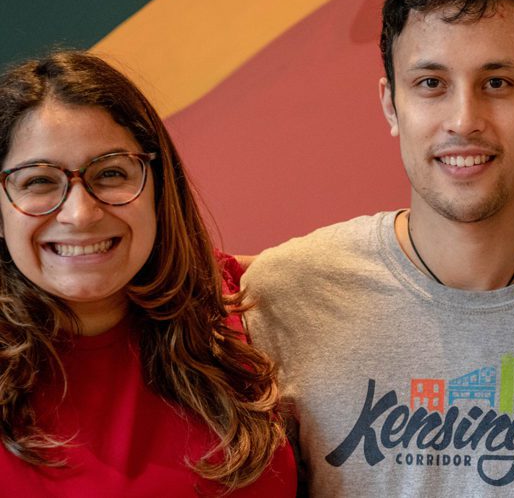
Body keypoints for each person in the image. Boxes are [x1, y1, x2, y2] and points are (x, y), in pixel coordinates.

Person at [243, 0, 514, 496]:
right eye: (431, 83)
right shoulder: (284, 297)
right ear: (391, 104)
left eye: (498, 83)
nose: (464, 120)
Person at [0, 51, 297, 496]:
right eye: (38, 181)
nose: (80, 214)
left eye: (111, 173)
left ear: (158, 189)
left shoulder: (232, 298)